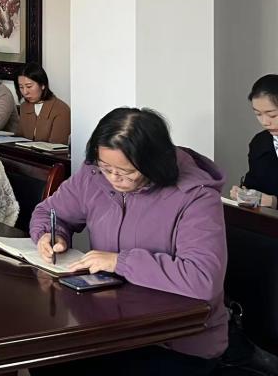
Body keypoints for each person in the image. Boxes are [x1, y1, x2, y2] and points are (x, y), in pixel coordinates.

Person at [30, 108, 227, 374]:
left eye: (127, 171)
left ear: (153, 163)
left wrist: (119, 262)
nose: (114, 178)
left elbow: (202, 279)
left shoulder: (196, 196)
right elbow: (49, 212)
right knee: (44, 360)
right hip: (109, 326)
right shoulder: (93, 175)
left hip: (175, 340)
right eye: (106, 168)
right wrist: (50, 234)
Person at [230, 74, 278, 208]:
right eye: (258, 114)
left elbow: (269, 200)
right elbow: (254, 184)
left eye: (272, 115)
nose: (265, 122)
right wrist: (245, 194)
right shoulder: (259, 143)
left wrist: (273, 202)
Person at [16, 62, 70, 144]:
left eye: (29, 86)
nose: (25, 92)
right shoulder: (24, 106)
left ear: (42, 85)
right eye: (21, 87)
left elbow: (57, 147)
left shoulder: (61, 109)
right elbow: (19, 138)